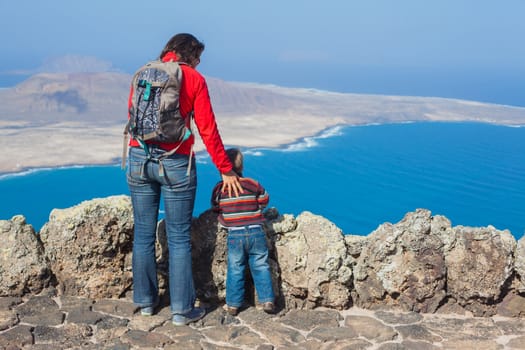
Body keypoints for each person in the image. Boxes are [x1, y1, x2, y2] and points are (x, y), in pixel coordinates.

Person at [126, 33, 242, 326]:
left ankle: (146, 303)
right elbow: (207, 129)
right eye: (197, 56)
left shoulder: (144, 71)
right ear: (186, 54)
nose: (200, 63)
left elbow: (132, 115)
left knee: (142, 232)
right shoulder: (193, 79)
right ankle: (181, 310)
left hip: (139, 158)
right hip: (176, 163)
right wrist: (226, 170)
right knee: (178, 238)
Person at [211, 148, 275, 316]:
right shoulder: (252, 183)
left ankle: (233, 304)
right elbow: (264, 199)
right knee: (261, 265)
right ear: (242, 166)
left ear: (222, 167)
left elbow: (215, 207)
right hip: (256, 231)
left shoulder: (219, 189)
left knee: (235, 267)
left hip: (234, 234)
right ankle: (267, 300)